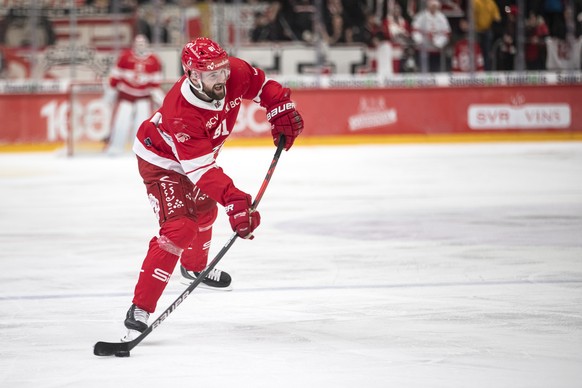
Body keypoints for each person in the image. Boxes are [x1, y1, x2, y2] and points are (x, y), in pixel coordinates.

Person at [122, 37, 304, 341]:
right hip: (163, 161)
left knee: (205, 209)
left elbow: (262, 86)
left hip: (197, 159)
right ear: (193, 75)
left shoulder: (233, 72)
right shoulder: (180, 112)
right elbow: (202, 171)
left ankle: (194, 269)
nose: (222, 78)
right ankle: (139, 308)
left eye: (222, 70)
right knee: (180, 227)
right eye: (212, 74)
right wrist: (235, 200)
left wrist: (279, 105)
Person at [104, 34, 164, 156]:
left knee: (141, 124)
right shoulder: (125, 57)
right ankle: (116, 147)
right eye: (138, 44)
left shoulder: (154, 60)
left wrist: (160, 99)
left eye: (142, 44)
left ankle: (140, 149)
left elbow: (155, 84)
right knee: (121, 122)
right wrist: (110, 92)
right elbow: (115, 76)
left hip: (144, 97)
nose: (140, 47)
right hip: (126, 96)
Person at [411, 0, 451, 72]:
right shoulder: (420, 16)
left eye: (435, 6)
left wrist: (438, 43)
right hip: (422, 50)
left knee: (435, 70)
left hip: (436, 50)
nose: (433, 8)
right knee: (422, 70)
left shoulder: (442, 18)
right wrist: (420, 41)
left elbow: (446, 33)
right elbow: (415, 31)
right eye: (432, 6)